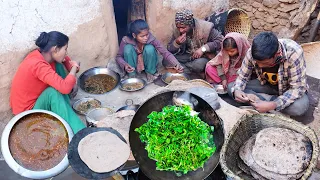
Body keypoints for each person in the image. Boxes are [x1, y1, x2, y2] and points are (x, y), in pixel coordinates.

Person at [10, 31, 86, 133]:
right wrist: (73, 70)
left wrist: (71, 66)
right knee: (52, 93)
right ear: (55, 49)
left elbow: (64, 59)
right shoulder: (38, 65)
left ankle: (65, 106)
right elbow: (65, 88)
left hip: (38, 100)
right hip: (27, 114)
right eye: (65, 49)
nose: (66, 53)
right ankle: (81, 132)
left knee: (58, 64)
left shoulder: (44, 54)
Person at [229, 32, 309, 116]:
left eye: (265, 63)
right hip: (266, 84)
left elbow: (298, 88)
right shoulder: (253, 52)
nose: (259, 65)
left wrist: (273, 104)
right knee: (231, 88)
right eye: (257, 62)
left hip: (287, 89)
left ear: (276, 55)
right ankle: (264, 103)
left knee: (299, 107)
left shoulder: (294, 52)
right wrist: (237, 90)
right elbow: (242, 77)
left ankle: (266, 104)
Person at [116, 19, 183, 82]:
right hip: (134, 65)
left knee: (149, 48)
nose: (145, 38)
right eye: (142, 36)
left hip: (148, 63)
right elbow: (119, 56)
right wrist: (125, 65)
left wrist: (176, 63)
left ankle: (150, 72)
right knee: (128, 48)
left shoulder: (151, 39)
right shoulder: (126, 40)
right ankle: (132, 75)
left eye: (147, 34)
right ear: (134, 35)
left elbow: (165, 52)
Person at [166, 9, 224, 75]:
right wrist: (177, 43)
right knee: (166, 60)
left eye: (183, 27)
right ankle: (184, 69)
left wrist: (203, 49)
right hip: (187, 56)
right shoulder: (177, 30)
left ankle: (182, 69)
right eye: (178, 27)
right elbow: (169, 49)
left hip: (203, 57)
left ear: (190, 25)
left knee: (198, 65)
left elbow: (220, 41)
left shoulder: (205, 27)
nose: (181, 30)